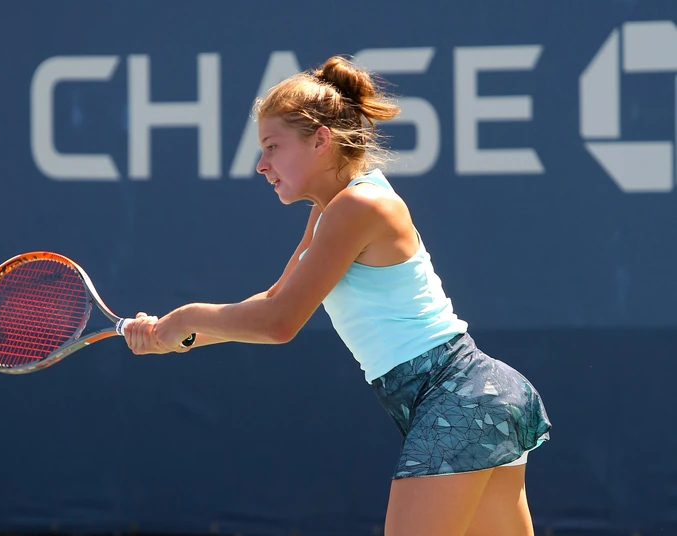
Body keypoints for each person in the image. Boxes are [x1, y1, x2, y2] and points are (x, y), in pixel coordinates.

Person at [123, 55, 552, 536]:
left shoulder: (358, 206)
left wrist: (186, 318)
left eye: (272, 147)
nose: (261, 165)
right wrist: (173, 336)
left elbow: (279, 323)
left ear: (320, 140)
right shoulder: (331, 209)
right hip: (476, 400)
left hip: (458, 401)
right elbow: (274, 299)